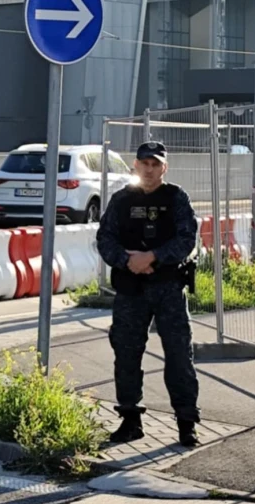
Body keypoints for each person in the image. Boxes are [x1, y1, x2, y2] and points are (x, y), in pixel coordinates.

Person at [96, 141, 201, 447]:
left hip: (168, 288)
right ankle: (130, 421)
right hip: (131, 289)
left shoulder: (176, 197)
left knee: (179, 357)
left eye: (156, 164)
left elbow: (187, 240)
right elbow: (105, 239)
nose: (150, 169)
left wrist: (152, 256)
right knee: (127, 355)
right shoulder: (121, 200)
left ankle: (186, 423)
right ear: (135, 165)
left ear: (164, 168)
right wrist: (129, 261)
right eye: (145, 163)